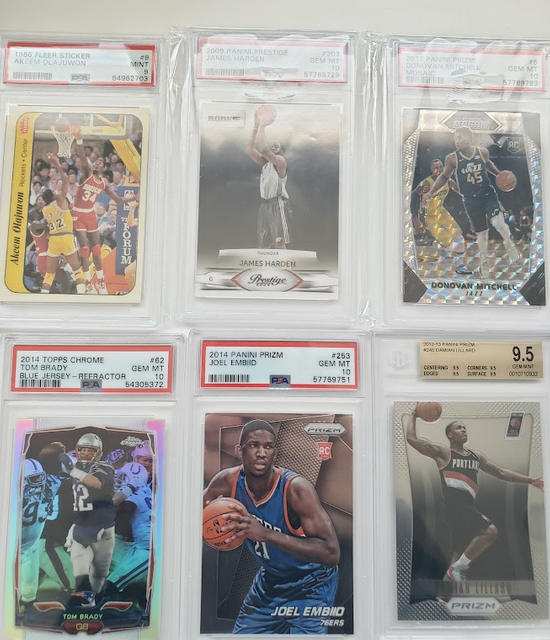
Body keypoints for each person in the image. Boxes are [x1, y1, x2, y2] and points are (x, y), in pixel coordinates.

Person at [203, 419, 340, 634]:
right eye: (253, 445)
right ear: (240, 450)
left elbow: (331, 553)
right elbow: (191, 515)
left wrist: (265, 534)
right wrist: (216, 528)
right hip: (271, 581)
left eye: (268, 447)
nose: (261, 453)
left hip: (311, 583)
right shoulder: (227, 481)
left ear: (275, 453)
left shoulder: (296, 489)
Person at [406, 407, 543, 583]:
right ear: (450, 435)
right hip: (456, 507)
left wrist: (531, 480)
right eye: (458, 428)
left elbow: (500, 472)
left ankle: (444, 593)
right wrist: (413, 415)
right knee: (490, 531)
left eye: (464, 427)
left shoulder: (476, 457)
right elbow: (412, 439)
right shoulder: (443, 453)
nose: (463, 430)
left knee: (457, 555)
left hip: (464, 508)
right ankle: (459, 568)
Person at [423, 128, 520, 279]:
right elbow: (443, 177)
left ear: (469, 138)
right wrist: (431, 192)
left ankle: (509, 243)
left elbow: (488, 164)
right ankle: (484, 259)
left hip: (487, 194)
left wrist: (499, 174)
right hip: (470, 200)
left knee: (498, 223)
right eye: (455, 138)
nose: (457, 141)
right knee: (482, 234)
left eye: (460, 138)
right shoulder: (452, 158)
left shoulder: (482, 152)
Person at [72, 130, 137, 294]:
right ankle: (88, 282)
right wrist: (79, 139)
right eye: (95, 162)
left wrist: (134, 197)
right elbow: (82, 158)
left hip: (90, 214)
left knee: (96, 249)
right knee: (84, 249)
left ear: (103, 167)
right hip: (78, 214)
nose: (96, 164)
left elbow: (119, 200)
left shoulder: (103, 184)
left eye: (100, 163)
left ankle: (100, 281)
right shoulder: (86, 174)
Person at [59, 433, 116, 608]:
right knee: (80, 567)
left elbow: (96, 483)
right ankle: (85, 601)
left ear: (99, 452)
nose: (85, 453)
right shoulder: (74, 467)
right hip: (83, 525)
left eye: (90, 450)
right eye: (82, 450)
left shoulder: (103, 466)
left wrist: (73, 471)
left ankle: (96, 601)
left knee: (100, 572)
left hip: (103, 526)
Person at [411, 159, 474, 274]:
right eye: (435, 167)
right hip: (429, 217)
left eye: (440, 166)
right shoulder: (426, 183)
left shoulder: (448, 181)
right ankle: (443, 249)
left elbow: (462, 193)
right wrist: (415, 219)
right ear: (431, 169)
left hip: (442, 212)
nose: (438, 169)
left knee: (460, 238)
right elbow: (413, 196)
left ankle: (458, 264)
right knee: (449, 243)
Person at [40, 154, 86, 294]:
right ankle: (82, 294)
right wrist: (57, 163)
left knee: (49, 274)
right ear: (53, 195)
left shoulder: (44, 210)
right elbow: (66, 181)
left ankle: (43, 296)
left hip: (54, 240)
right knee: (77, 269)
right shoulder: (60, 200)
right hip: (66, 237)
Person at [20, 459, 62, 609]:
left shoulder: (15, 493)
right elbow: (52, 515)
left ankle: (27, 603)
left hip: (27, 542)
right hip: (26, 541)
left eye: (39, 477)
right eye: (34, 478)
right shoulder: (52, 486)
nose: (38, 482)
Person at [246, 113, 292, 249]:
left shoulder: (281, 162)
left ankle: (285, 264)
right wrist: (255, 127)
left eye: (276, 147)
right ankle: (266, 263)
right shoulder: (265, 164)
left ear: (281, 152)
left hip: (278, 205)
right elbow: (250, 150)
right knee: (264, 245)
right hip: (264, 206)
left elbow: (264, 150)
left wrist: (262, 126)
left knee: (279, 244)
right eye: (272, 146)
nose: (273, 147)